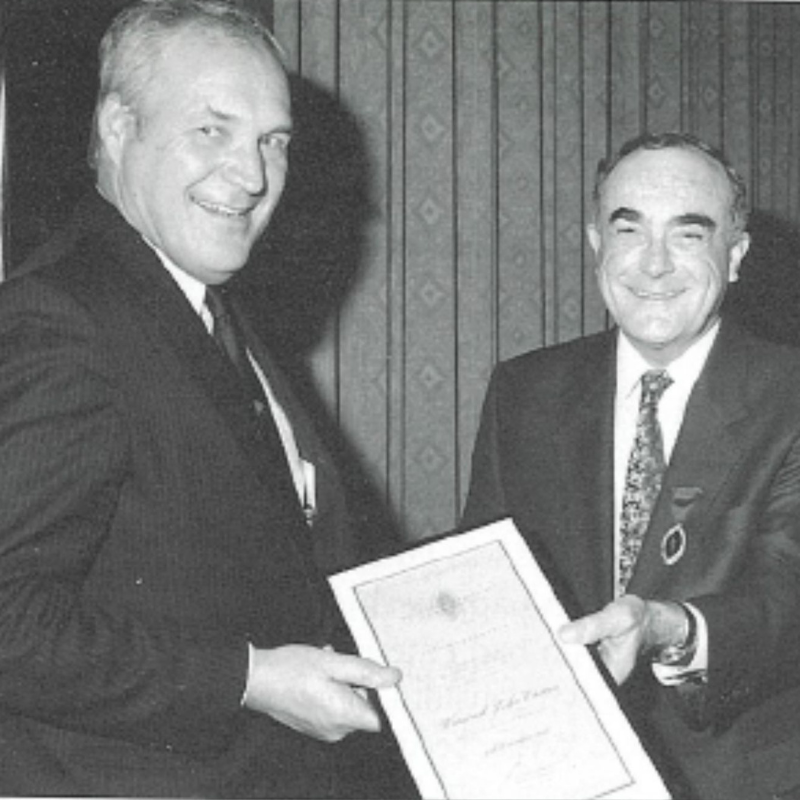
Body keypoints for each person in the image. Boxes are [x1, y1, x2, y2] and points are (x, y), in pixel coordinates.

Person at [0, 1, 407, 796]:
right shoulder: (62, 316)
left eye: (273, 141)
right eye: (211, 130)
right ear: (119, 129)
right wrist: (248, 680)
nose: (253, 176)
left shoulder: (209, 312)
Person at [462, 131, 800, 800]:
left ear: (734, 256)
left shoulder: (790, 395)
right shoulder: (523, 392)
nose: (653, 265)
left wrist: (668, 627)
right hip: (552, 773)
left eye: (688, 234)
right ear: (596, 245)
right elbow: (486, 587)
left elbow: (788, 592)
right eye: (629, 229)